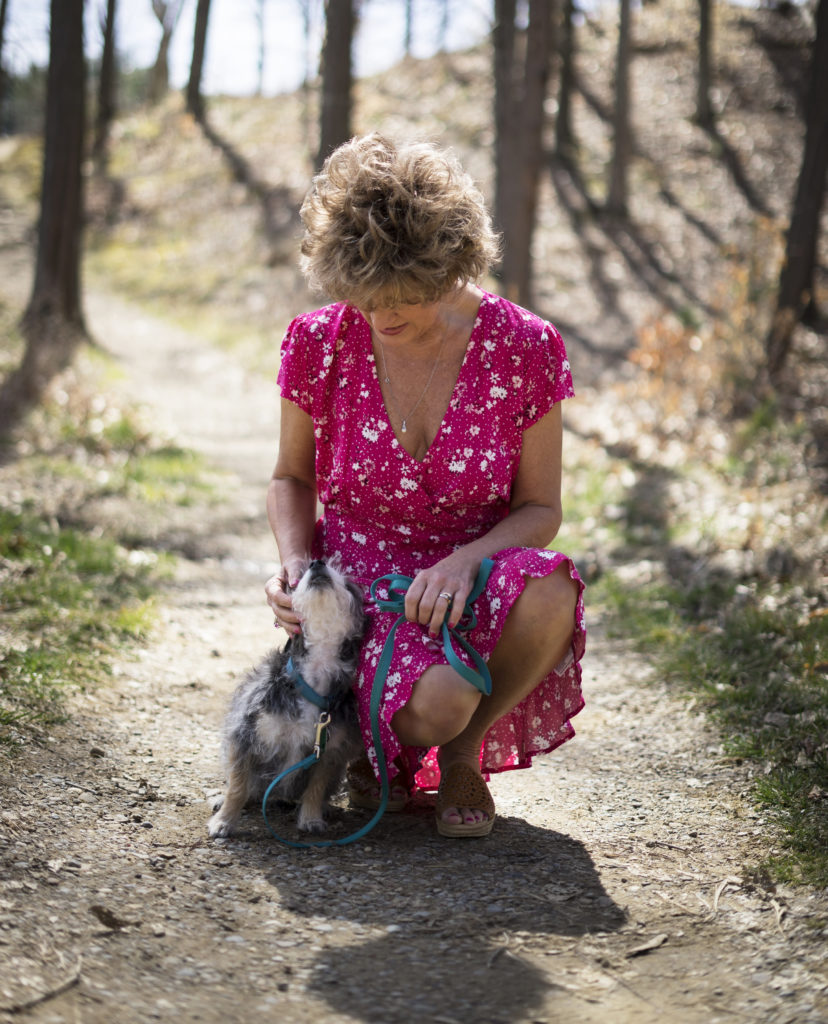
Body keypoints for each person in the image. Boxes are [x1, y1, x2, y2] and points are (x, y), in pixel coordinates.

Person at [265, 133, 585, 838]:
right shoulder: (317, 342)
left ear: (449, 263)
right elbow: (290, 478)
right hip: (360, 586)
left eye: (401, 296)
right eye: (360, 295)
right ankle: (373, 742)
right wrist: (296, 566)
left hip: (471, 571)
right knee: (439, 700)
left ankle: (463, 757)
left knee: (554, 588)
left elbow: (541, 507)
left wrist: (467, 560)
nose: (378, 316)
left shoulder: (524, 347)